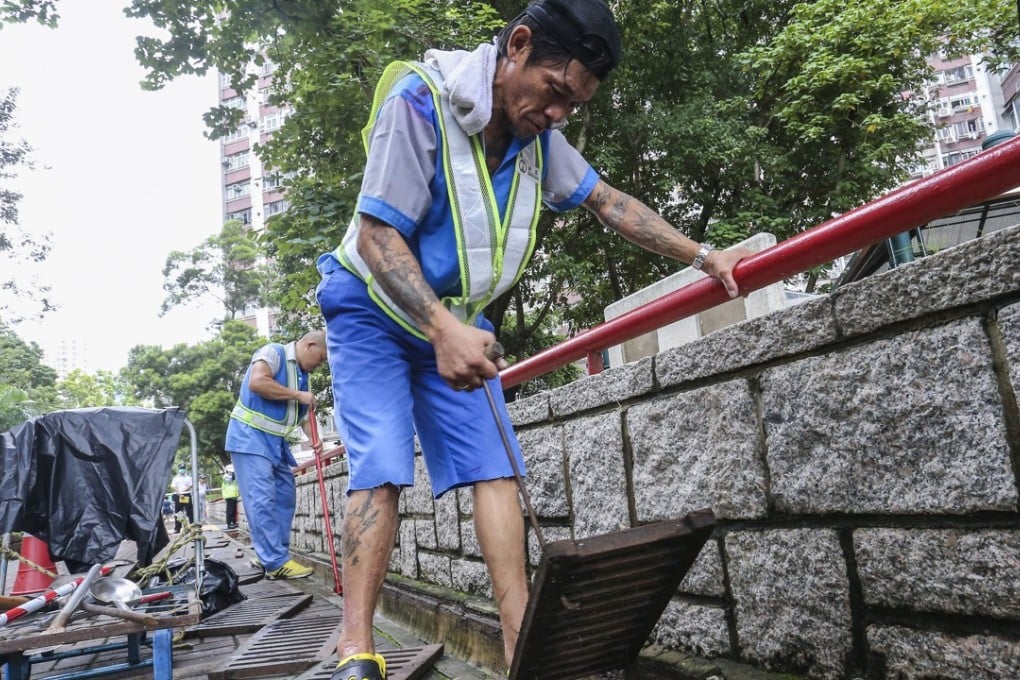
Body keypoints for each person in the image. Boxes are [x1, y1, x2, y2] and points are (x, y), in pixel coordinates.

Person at [314, 1, 751, 677]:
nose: (558, 115)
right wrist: (441, 329)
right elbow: (377, 236)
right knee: (382, 463)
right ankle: (356, 652)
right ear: (517, 46)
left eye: (574, 106)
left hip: (458, 323)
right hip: (373, 306)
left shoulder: (536, 140)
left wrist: (704, 256)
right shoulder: (419, 101)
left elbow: (607, 202)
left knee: (496, 465)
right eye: (555, 93)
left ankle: (525, 646)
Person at [224, 330, 328, 580]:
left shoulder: (302, 377)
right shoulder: (273, 352)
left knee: (285, 495)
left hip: (275, 445)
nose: (321, 364)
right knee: (261, 500)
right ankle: (275, 561)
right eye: (322, 358)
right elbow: (257, 382)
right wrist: (297, 394)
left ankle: (270, 555)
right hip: (249, 438)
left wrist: (315, 438)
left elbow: (301, 417)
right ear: (310, 345)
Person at [170, 464, 194, 533]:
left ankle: (192, 526)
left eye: (183, 468)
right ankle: (177, 528)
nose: (182, 469)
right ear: (179, 469)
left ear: (185, 469)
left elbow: (190, 485)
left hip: (186, 495)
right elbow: (174, 487)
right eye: (181, 468)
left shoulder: (189, 477)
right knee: (178, 513)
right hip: (178, 496)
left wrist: (183, 492)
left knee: (190, 512)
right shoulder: (176, 478)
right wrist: (180, 494)